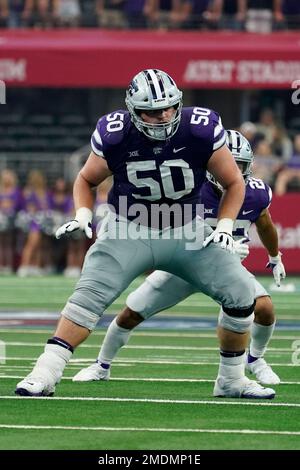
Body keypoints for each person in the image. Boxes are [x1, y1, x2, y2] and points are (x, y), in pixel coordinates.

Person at [16, 69, 275, 399]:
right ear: (132, 110)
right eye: (153, 110)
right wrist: (82, 213)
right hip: (129, 228)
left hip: (187, 230)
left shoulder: (199, 127)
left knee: (241, 294)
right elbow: (85, 180)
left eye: (169, 107)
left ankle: (231, 380)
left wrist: (224, 225)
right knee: (88, 297)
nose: (164, 116)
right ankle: (45, 373)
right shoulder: (116, 132)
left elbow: (234, 182)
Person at [74, 130, 286, 386]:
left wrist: (275, 257)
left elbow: (265, 224)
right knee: (131, 313)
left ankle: (255, 360)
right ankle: (101, 365)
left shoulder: (256, 193)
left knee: (263, 308)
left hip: (220, 270)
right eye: (230, 163)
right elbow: (170, 229)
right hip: (182, 264)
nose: (233, 170)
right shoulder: (189, 188)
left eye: (239, 165)